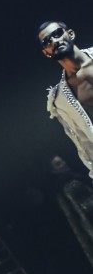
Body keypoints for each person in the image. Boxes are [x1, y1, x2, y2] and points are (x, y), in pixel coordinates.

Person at [40, 20, 93, 178]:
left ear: (70, 34)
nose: (54, 41)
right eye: (47, 41)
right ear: (46, 53)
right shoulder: (59, 99)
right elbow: (83, 144)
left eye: (57, 34)